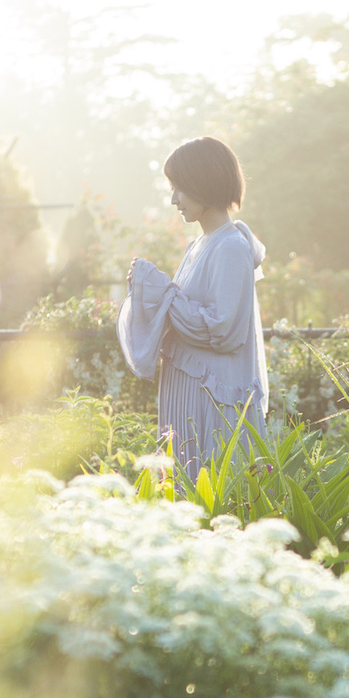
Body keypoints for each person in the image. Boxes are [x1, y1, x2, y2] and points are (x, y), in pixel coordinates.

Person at [117, 136, 268, 482]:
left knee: (210, 494)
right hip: (188, 389)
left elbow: (223, 331)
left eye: (179, 188)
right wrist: (153, 292)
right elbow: (183, 313)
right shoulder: (197, 246)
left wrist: (165, 293)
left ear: (204, 182)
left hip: (211, 397)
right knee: (182, 491)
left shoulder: (231, 247)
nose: (173, 199)